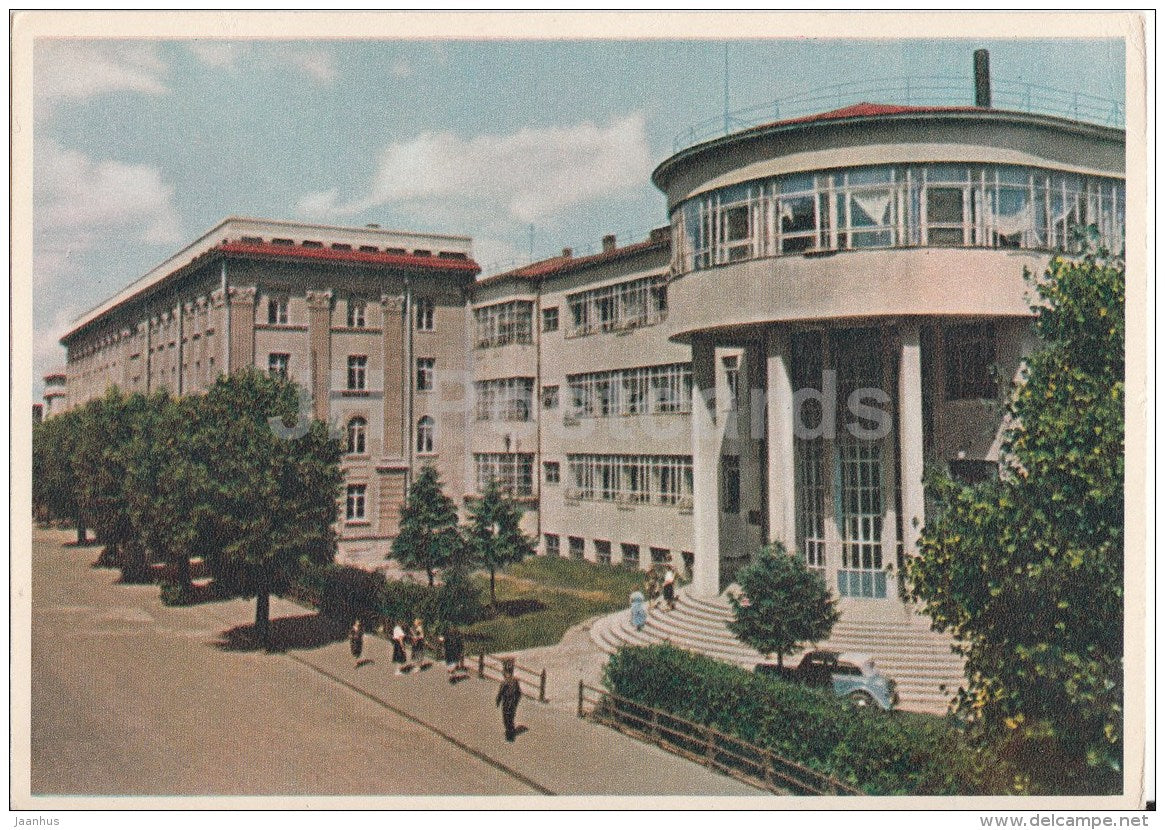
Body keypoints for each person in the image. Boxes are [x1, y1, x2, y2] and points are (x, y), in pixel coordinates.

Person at [495, 658, 522, 742]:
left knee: (506, 718)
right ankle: (511, 731)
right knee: (511, 717)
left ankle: (509, 734)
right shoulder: (515, 681)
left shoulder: (505, 682)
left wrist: (498, 701)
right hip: (513, 703)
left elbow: (500, 693)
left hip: (507, 703)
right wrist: (516, 701)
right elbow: (519, 693)